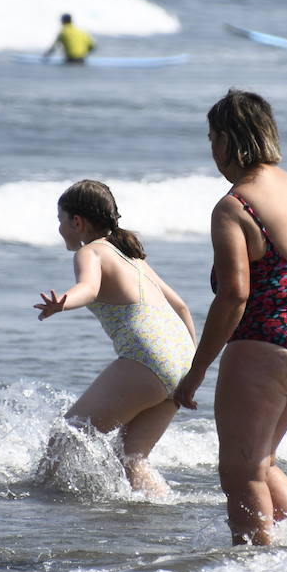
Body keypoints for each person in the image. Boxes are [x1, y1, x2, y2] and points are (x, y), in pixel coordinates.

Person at [173, 90, 287, 545]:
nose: (210, 149)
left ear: (226, 139)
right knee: (262, 462)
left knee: (240, 474)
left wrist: (195, 372)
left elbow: (235, 296)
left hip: (266, 345)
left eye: (212, 138)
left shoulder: (235, 207)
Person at [34, 180, 197, 495]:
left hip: (148, 358)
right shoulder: (132, 256)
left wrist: (62, 302)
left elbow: (89, 288)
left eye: (60, 220)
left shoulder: (91, 252)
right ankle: (163, 511)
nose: (59, 229)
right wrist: (193, 370)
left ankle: (39, 497)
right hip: (181, 359)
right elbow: (181, 306)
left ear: (77, 221)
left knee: (67, 435)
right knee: (132, 457)